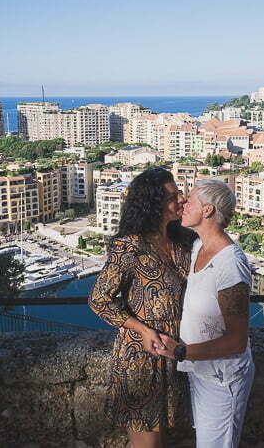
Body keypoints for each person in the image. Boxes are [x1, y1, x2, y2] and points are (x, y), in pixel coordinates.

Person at [88, 167, 194, 448]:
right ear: (153, 204)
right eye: (172, 196)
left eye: (179, 193)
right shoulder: (130, 247)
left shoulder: (183, 242)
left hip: (174, 353)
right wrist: (144, 330)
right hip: (142, 358)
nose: (181, 199)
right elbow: (99, 300)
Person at [156, 179, 254, 448]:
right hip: (201, 372)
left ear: (208, 210)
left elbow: (236, 341)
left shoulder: (230, 265)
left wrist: (180, 351)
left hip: (223, 379)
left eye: (189, 200)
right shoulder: (200, 247)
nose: (183, 204)